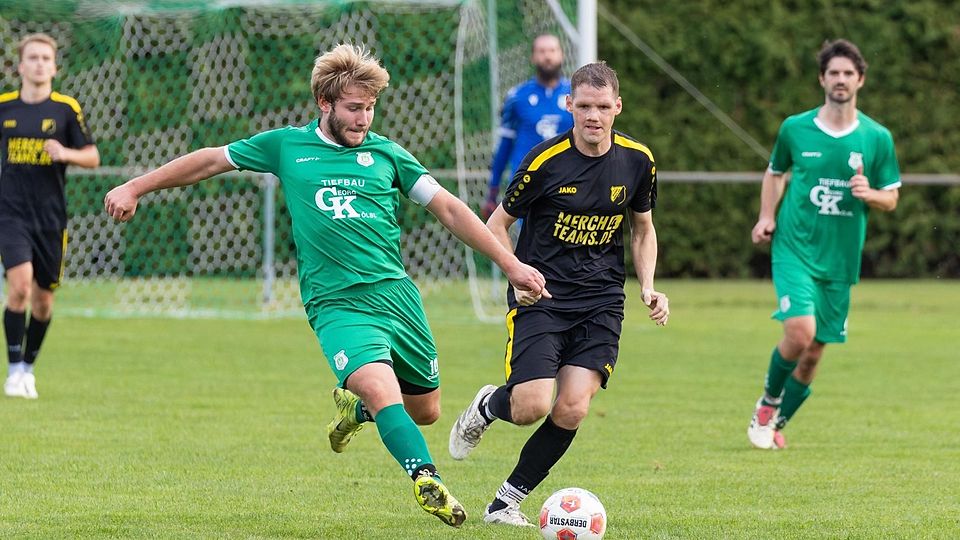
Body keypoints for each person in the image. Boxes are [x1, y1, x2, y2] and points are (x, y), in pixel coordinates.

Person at [103, 43, 548, 528]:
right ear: (325, 103)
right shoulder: (287, 146)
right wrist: (135, 186)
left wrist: (509, 262)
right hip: (336, 304)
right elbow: (212, 160)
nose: (363, 119)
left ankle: (354, 413)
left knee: (426, 412)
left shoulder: (387, 155)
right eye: (354, 108)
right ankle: (426, 478)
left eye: (370, 108)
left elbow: (449, 209)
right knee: (384, 392)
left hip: (398, 299)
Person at [448, 61, 670, 527]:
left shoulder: (638, 161)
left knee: (572, 407)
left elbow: (643, 230)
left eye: (603, 107)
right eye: (584, 106)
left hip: (602, 301)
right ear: (569, 105)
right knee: (530, 406)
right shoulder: (543, 162)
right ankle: (490, 405)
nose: (593, 115)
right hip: (542, 298)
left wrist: (648, 285)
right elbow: (496, 226)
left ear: (618, 107)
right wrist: (516, 276)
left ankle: (504, 503)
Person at [746, 39, 900, 450]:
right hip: (794, 248)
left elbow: (892, 196)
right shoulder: (795, 127)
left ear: (860, 80)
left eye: (848, 73)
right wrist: (767, 216)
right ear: (822, 78)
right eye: (833, 72)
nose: (841, 80)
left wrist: (872, 194)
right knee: (799, 332)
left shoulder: (876, 137)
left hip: (840, 260)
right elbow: (775, 172)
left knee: (814, 353)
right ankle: (767, 402)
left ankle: (776, 422)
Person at [1, 33, 99, 399]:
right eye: (33, 57)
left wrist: (66, 154)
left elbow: (92, 156)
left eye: (46, 58)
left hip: (50, 219)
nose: (39, 63)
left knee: (43, 302)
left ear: (54, 67)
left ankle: (27, 369)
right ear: (20, 65)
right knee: (20, 287)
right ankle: (12, 372)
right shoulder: (4, 108)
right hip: (10, 214)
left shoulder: (65, 109)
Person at [481, 34, 573, 220]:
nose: (547, 56)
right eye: (542, 51)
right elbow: (505, 146)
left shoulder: (577, 95)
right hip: (528, 185)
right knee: (529, 245)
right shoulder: (517, 97)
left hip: (568, 182)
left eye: (552, 51)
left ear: (562, 55)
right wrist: (493, 191)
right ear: (533, 57)